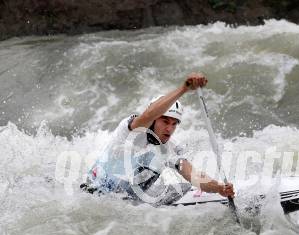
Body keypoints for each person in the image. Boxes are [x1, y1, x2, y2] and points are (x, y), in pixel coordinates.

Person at [81, 73, 234, 205]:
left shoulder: (171, 149)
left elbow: (193, 175)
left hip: (126, 205)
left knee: (183, 187)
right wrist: (184, 89)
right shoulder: (132, 130)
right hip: (93, 197)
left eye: (174, 124)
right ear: (154, 120)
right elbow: (148, 114)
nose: (169, 129)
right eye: (165, 121)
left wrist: (219, 188)